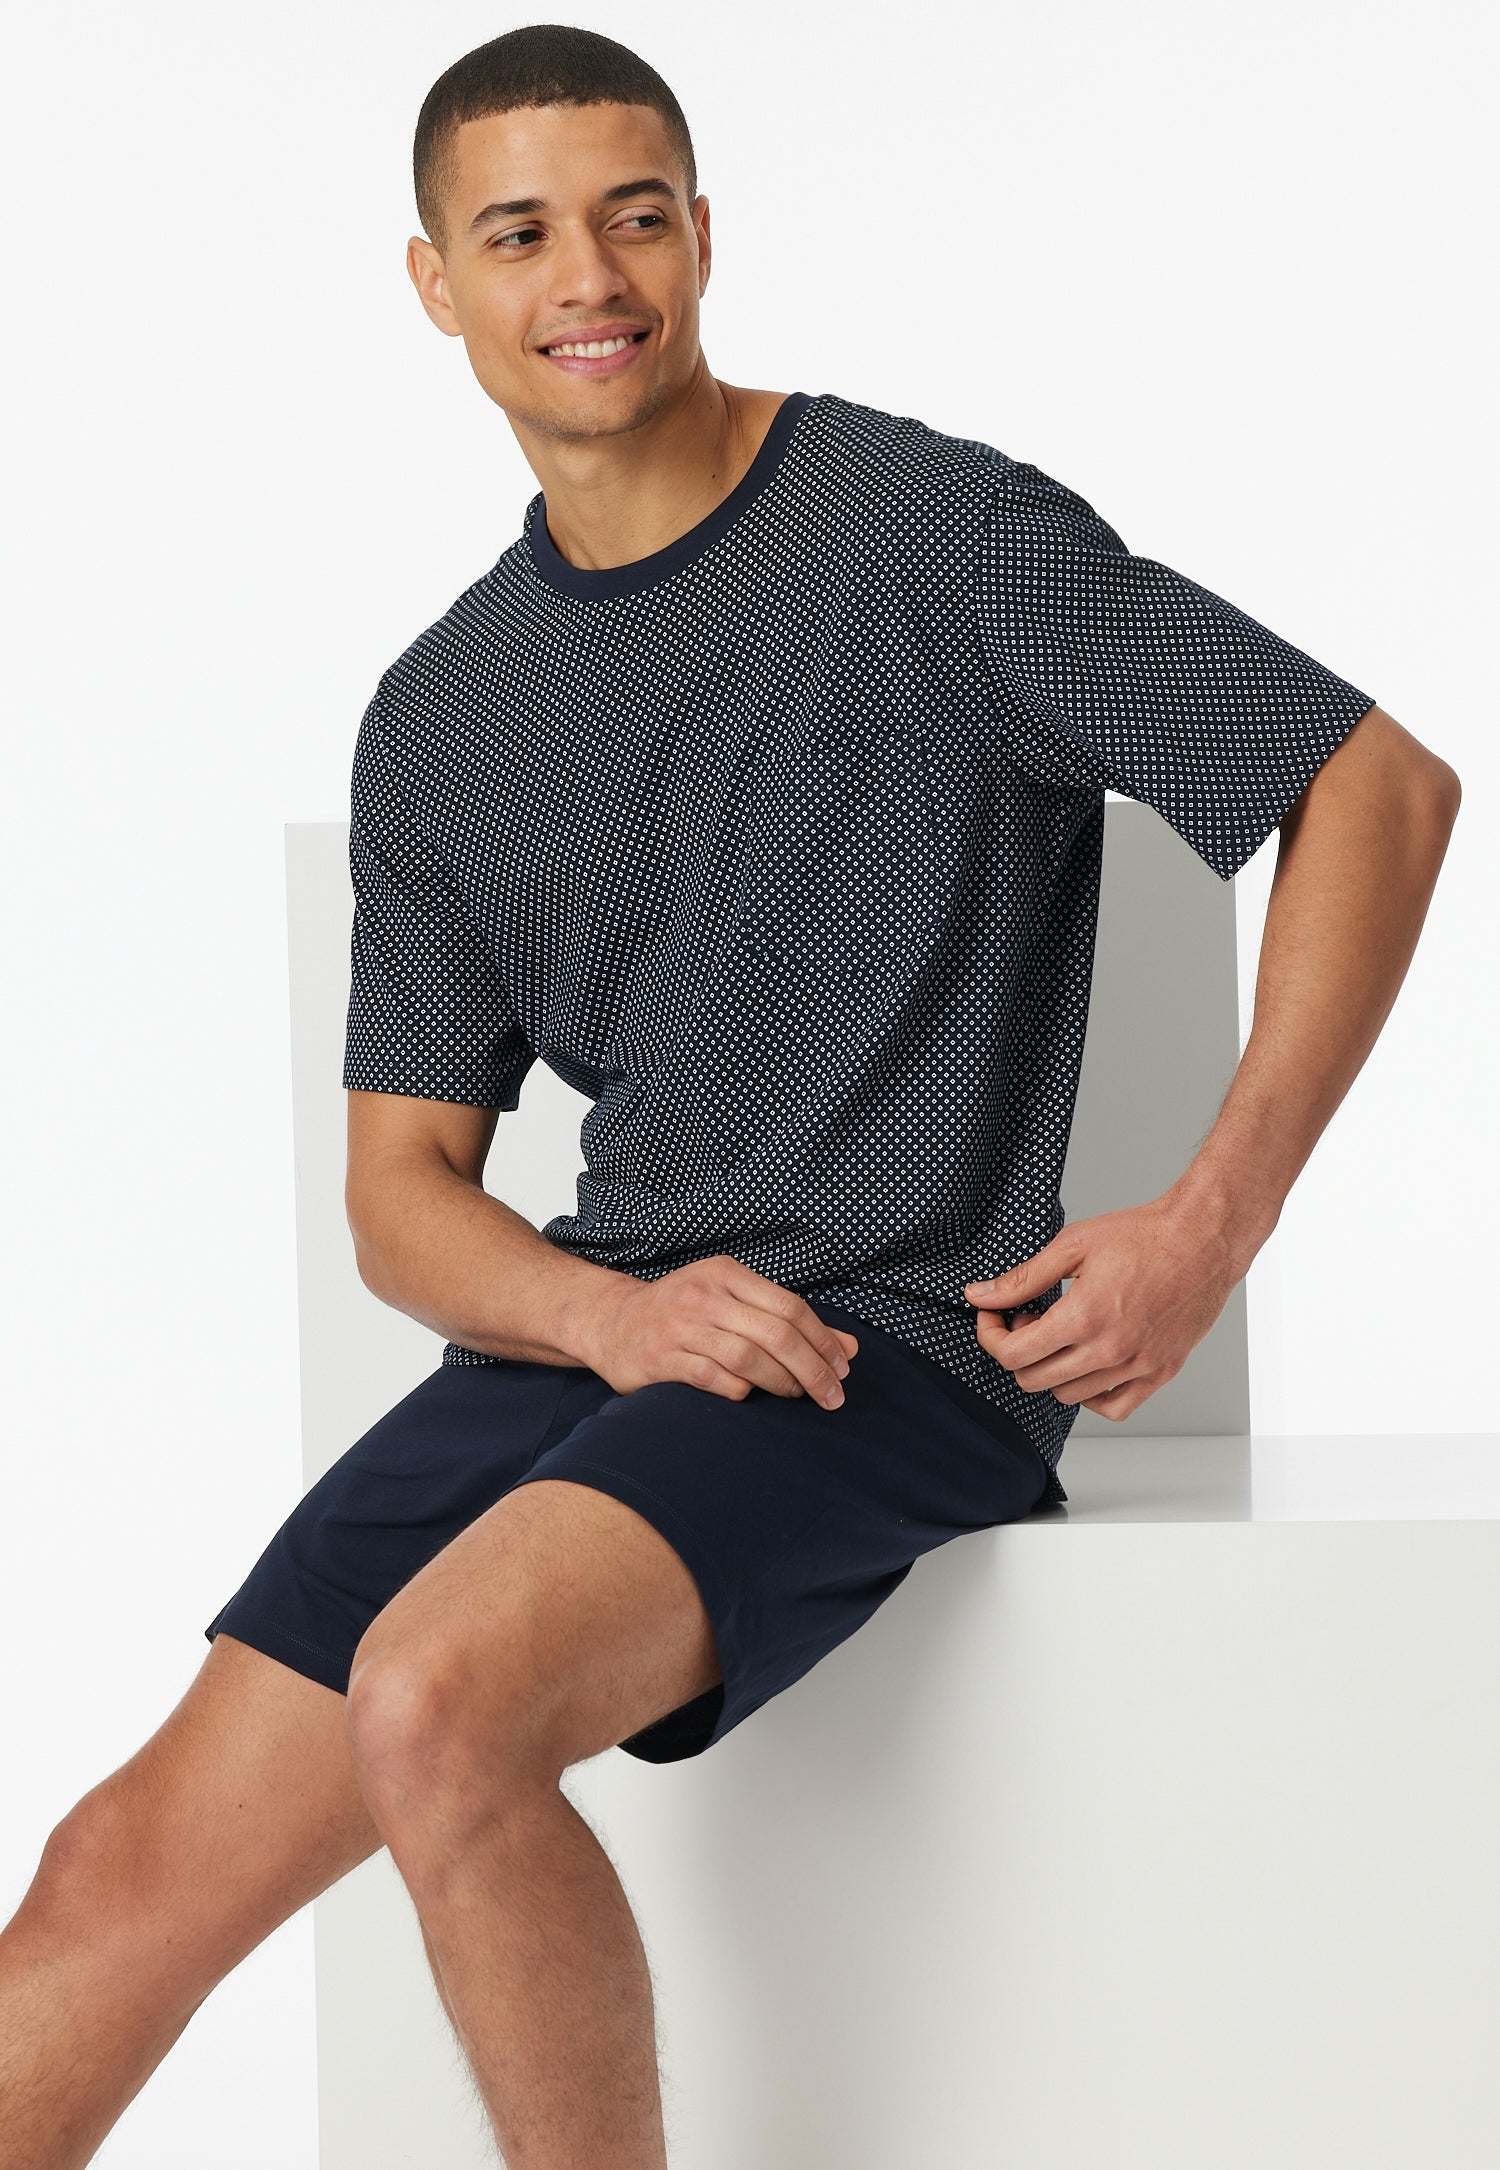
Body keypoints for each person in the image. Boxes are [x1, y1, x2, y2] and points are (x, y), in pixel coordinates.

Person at [0, 22, 1461, 2170]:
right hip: (617, 1336)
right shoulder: (444, 714)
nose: (588, 277)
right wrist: (609, 1315)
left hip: (891, 1344)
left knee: (437, 1700)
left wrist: (1208, 1220)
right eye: (520, 234)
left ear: (700, 237)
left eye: (633, 217)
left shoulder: (934, 534)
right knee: (107, 1878)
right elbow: (400, 1197)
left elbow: (1371, 783)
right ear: (435, 282)